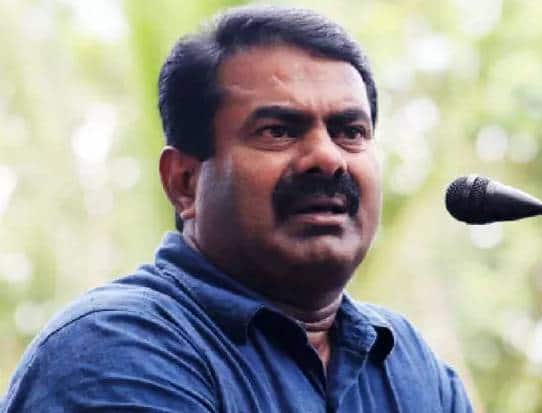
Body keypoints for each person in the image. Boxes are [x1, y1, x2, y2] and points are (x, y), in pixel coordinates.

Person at [2, 6, 472, 413]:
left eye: (350, 132)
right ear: (184, 182)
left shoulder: (408, 364)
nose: (328, 158)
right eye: (277, 131)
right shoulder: (116, 350)